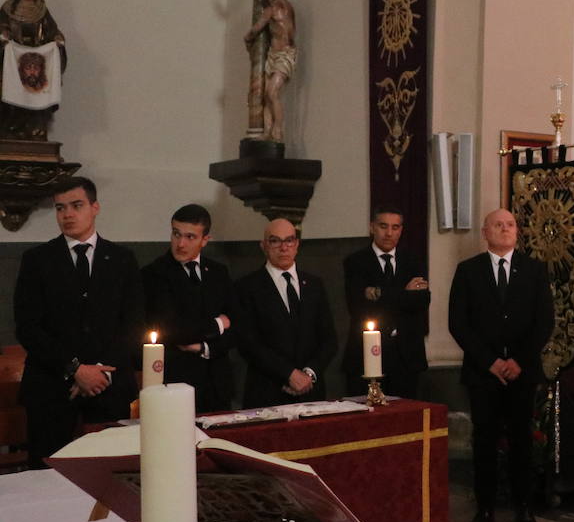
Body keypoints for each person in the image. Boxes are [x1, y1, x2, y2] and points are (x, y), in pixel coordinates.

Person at [15, 177, 142, 465]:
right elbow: (28, 327)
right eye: (60, 208)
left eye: (76, 205)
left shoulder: (122, 259)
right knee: (47, 473)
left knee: (111, 473)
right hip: (51, 386)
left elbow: (132, 323)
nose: (67, 214)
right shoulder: (37, 260)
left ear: (95, 207)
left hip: (109, 386)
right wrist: (75, 369)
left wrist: (100, 372)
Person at [448, 209, 554, 522]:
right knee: (484, 442)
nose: (505, 229)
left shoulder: (535, 271)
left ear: (516, 231)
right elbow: (458, 324)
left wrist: (519, 360)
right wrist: (490, 362)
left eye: (510, 224)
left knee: (522, 440)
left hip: (522, 372)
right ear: (485, 232)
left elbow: (544, 322)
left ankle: (524, 507)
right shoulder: (468, 271)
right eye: (498, 224)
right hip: (483, 374)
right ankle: (485, 508)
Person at [141, 205, 238, 413]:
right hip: (175, 384)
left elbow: (238, 326)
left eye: (190, 237)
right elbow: (171, 329)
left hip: (217, 385)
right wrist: (218, 323)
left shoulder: (218, 272)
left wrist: (204, 348)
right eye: (176, 234)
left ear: (205, 240)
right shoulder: (153, 274)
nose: (180, 243)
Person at [234, 218, 336, 408]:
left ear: (296, 245)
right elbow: (248, 344)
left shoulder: (314, 285)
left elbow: (329, 340)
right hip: (267, 393)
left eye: (289, 240)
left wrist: (308, 374)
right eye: (275, 241)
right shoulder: (247, 287)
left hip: (311, 394)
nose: (283, 247)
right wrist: (289, 374)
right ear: (263, 246)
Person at [343, 206, 431, 398]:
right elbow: (358, 306)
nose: (389, 233)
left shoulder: (413, 260)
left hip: (407, 357)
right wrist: (404, 293)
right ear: (372, 227)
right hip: (366, 357)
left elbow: (422, 301)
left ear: (401, 230)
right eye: (383, 226)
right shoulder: (356, 262)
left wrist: (379, 294)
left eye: (395, 227)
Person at [0, 0, 67, 140]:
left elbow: (52, 30)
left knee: (35, 89)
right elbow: (2, 26)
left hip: (36, 60)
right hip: (14, 60)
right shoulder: (8, 8)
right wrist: (4, 34)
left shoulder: (41, 10)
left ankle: (35, 127)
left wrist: (57, 38)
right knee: (12, 90)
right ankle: (12, 126)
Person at [244, 0, 296, 143]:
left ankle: (278, 132)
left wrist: (247, 37)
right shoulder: (284, 5)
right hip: (273, 54)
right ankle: (268, 132)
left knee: (272, 93)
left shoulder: (274, 7)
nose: (259, 1)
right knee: (267, 95)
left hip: (285, 54)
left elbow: (256, 28)